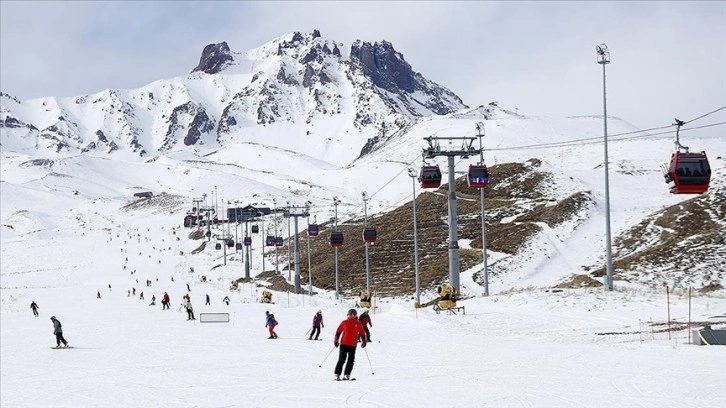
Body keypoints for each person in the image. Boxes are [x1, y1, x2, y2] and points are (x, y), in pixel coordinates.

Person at [333, 309, 366, 381]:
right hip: (344, 344)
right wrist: (336, 341)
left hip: (353, 345)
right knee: (342, 359)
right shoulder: (344, 322)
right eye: (350, 314)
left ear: (355, 315)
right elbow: (338, 332)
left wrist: (364, 342)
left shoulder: (358, 323)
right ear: (347, 315)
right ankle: (337, 374)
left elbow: (362, 333)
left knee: (351, 360)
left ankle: (347, 375)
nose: (351, 315)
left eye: (353, 314)